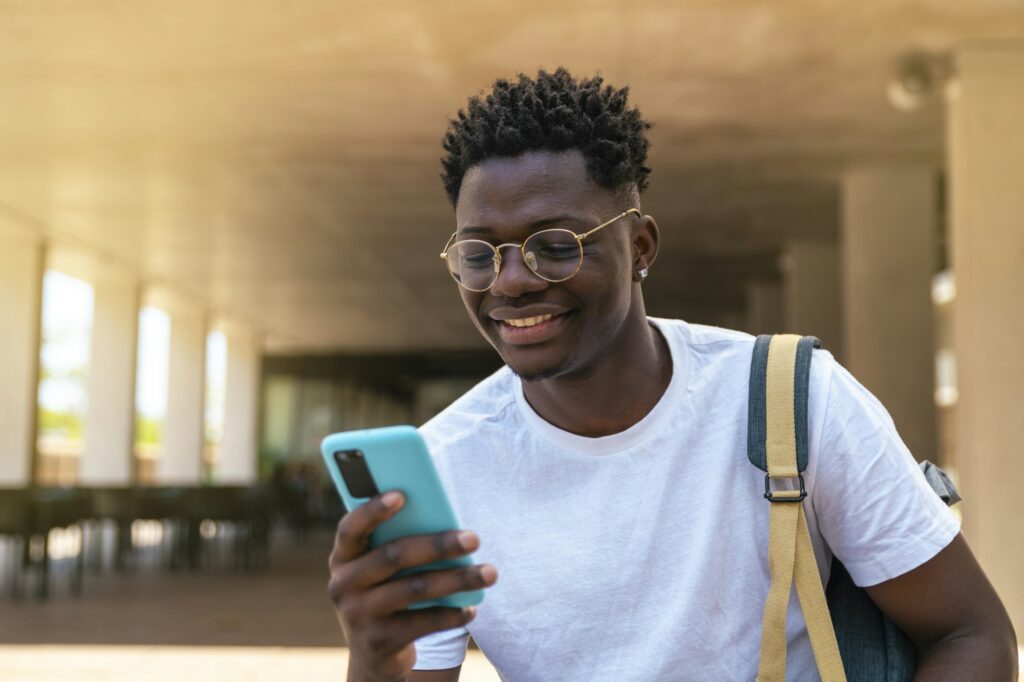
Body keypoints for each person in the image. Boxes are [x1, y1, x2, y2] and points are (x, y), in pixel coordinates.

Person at [327, 68, 1017, 681]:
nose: (511, 282)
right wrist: (373, 657)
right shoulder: (448, 467)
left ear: (640, 246)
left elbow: (972, 634)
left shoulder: (793, 401)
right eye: (481, 254)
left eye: (556, 246)